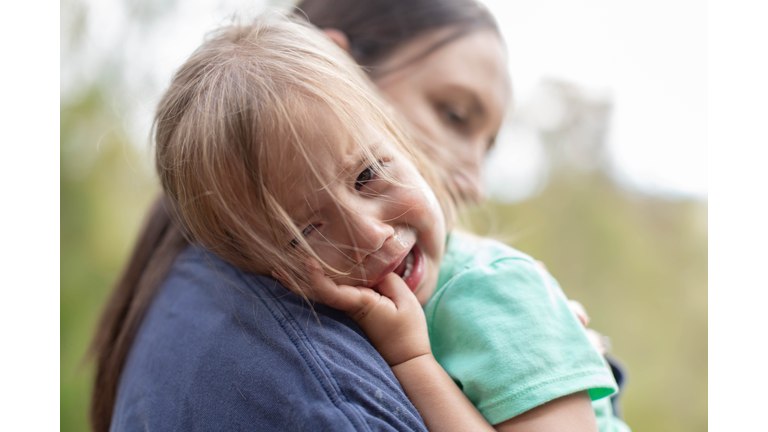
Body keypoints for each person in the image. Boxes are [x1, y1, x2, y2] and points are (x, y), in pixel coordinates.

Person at [90, 2, 623, 431]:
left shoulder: (493, 293)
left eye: (368, 175)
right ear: (270, 269)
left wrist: (415, 365)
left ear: (397, 136)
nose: (369, 234)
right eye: (305, 232)